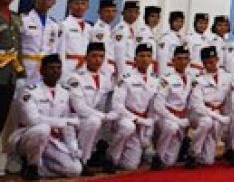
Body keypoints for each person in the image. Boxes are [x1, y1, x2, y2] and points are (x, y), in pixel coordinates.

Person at [6, 54, 82, 180]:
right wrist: (63, 122)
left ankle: (40, 169)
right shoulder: (29, 91)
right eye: (51, 68)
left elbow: (68, 126)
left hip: (51, 141)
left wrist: (73, 149)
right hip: (28, 138)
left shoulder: (65, 92)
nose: (55, 71)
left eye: (58, 68)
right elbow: (33, 120)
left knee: (75, 170)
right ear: (42, 71)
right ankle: (32, 165)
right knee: (42, 128)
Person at [108, 43, 159, 171]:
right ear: (135, 59)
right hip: (125, 118)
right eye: (141, 56)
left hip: (143, 123)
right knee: (127, 127)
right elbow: (117, 105)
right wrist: (136, 119)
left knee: (130, 166)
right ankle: (110, 158)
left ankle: (137, 153)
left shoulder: (155, 80)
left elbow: (153, 107)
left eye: (148, 56)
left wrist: (148, 126)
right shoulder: (126, 78)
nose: (145, 59)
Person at [65, 41, 115, 169]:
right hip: (77, 120)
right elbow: (80, 108)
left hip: (95, 119)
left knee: (115, 118)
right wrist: (104, 116)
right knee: (94, 121)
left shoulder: (106, 78)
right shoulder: (75, 78)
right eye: (94, 56)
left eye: (101, 56)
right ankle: (83, 160)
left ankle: (101, 153)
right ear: (86, 57)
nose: (98, 60)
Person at [152, 46, 194, 169]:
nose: (182, 62)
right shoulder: (166, 79)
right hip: (165, 117)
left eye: (185, 59)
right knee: (172, 127)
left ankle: (151, 155)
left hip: (181, 117)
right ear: (173, 61)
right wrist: (176, 120)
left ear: (189, 61)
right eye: (179, 59)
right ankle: (157, 157)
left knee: (169, 162)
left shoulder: (191, 78)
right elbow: (158, 105)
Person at [188, 47, 231, 167]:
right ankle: (193, 152)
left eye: (212, 61)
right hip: (199, 114)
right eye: (206, 62)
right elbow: (198, 106)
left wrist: (225, 115)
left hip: (217, 114)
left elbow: (229, 99)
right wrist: (218, 117)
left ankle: (203, 153)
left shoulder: (227, 77)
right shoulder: (198, 79)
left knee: (208, 162)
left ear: (217, 60)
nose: (209, 64)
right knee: (207, 122)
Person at [0, 0, 25, 153]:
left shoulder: (16, 17)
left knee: (1, 117)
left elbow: (19, 45)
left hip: (10, 75)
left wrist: (20, 69)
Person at [19, 0, 60, 81]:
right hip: (26, 65)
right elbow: (17, 45)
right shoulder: (24, 20)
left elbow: (53, 49)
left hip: (45, 69)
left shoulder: (54, 25)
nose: (45, 1)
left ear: (54, 2)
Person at [58, 0, 91, 76]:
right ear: (69, 5)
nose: (80, 7)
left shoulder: (89, 27)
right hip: (69, 67)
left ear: (88, 6)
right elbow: (60, 52)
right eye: (76, 3)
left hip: (85, 67)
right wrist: (62, 72)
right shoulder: (64, 25)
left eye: (83, 3)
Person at [90, 0, 117, 71]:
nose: (111, 14)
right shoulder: (99, 29)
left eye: (113, 11)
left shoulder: (108, 28)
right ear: (99, 12)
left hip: (109, 67)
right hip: (104, 68)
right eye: (107, 11)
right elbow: (99, 53)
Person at [156, 11, 186, 76]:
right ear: (170, 21)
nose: (179, 24)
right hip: (169, 70)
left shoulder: (183, 38)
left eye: (181, 21)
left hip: (180, 71)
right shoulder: (165, 38)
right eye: (177, 21)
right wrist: (163, 75)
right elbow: (162, 59)